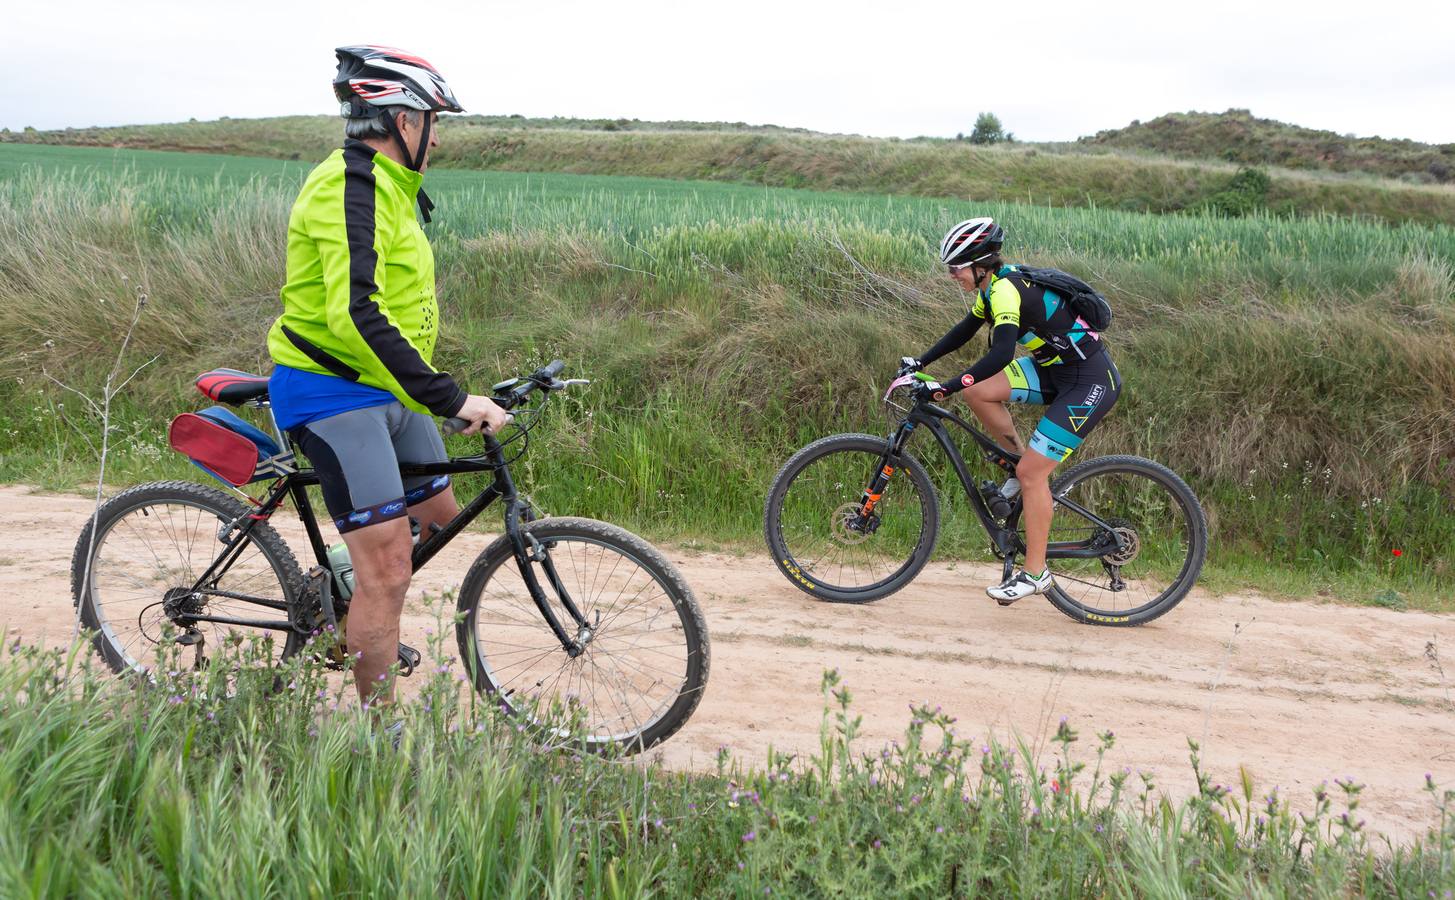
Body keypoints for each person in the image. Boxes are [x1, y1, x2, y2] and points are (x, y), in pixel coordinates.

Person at [266, 45, 508, 706]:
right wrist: (450, 397)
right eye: (435, 120)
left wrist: (436, 392)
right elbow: (356, 312)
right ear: (404, 121)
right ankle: (380, 738)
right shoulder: (348, 186)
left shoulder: (396, 190)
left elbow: (400, 306)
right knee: (389, 568)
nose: (439, 135)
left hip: (392, 392)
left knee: (440, 518)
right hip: (331, 393)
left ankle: (341, 603)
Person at [901, 217, 1121, 604]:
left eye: (956, 268)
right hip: (1057, 370)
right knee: (980, 394)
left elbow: (1001, 352)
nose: (953, 275)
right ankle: (1020, 465)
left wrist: (948, 386)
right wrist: (920, 362)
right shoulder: (993, 288)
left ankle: (1036, 573)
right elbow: (964, 331)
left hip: (1089, 381)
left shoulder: (1005, 291)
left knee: (1033, 474)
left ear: (980, 264)